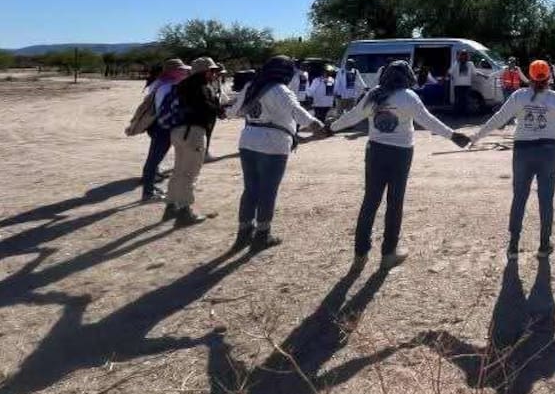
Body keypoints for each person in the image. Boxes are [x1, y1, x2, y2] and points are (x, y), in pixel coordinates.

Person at [330, 60, 470, 269]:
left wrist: (330, 128)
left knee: (370, 202)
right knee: (395, 203)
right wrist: (452, 135)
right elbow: (428, 121)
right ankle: (388, 254)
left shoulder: (373, 94)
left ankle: (360, 255)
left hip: (375, 152)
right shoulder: (408, 96)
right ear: (407, 77)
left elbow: (352, 116)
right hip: (401, 154)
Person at [471, 60, 555, 260]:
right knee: (546, 199)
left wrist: (476, 136)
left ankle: (513, 245)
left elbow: (499, 118)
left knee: (519, 197)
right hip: (549, 152)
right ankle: (544, 245)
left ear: (529, 77)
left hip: (523, 151)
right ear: (548, 77)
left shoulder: (519, 96)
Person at [229, 56, 324, 252]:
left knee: (250, 189)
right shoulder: (280, 89)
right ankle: (262, 235)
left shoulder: (251, 86)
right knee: (267, 190)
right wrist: (319, 127)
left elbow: (234, 112)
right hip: (273, 144)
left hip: (248, 140)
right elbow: (298, 112)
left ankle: (244, 232)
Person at [161, 56, 224, 226]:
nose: (214, 74)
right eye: (212, 71)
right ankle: (184, 212)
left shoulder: (182, 85)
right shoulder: (201, 88)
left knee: (179, 170)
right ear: (205, 71)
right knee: (190, 173)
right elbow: (206, 108)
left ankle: (171, 206)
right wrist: (220, 109)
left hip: (178, 132)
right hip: (193, 133)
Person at [135, 58, 189, 201]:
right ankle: (148, 193)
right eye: (181, 70)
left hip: (157, 125)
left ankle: (150, 187)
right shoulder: (169, 87)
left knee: (153, 159)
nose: (184, 72)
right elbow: (167, 109)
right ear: (173, 72)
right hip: (163, 127)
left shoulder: (161, 83)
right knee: (154, 160)